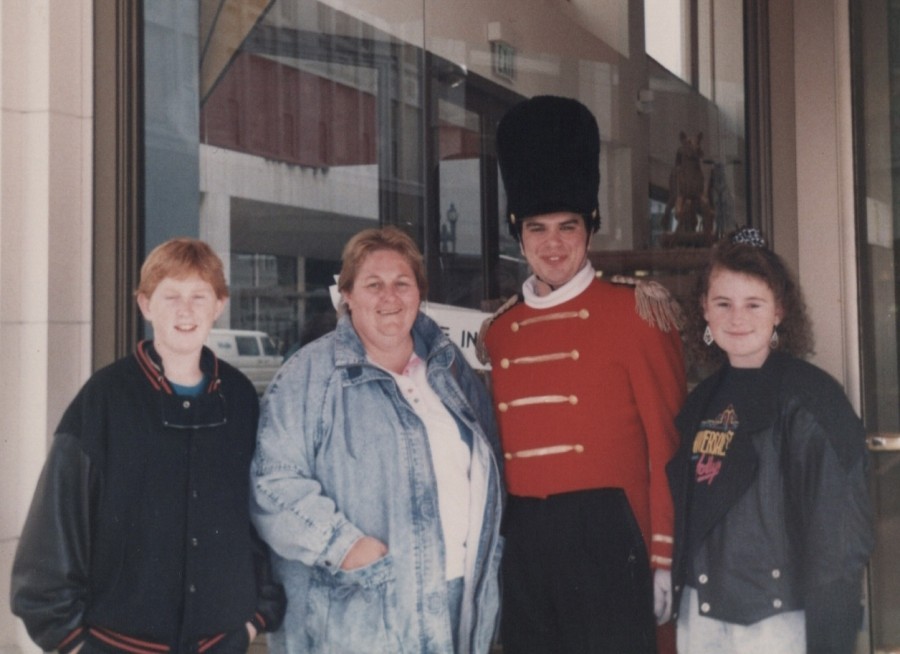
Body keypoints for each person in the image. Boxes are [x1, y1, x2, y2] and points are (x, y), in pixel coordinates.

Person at [479, 95, 686, 653]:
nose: (553, 244)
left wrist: (664, 558)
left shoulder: (638, 315)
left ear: (590, 227)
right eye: (537, 227)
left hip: (611, 545)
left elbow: (669, 448)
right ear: (517, 233)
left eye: (567, 227)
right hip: (526, 549)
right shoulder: (498, 332)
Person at [10, 238, 286, 654]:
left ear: (219, 305)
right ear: (144, 305)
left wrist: (254, 619)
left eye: (199, 296)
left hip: (221, 642)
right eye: (170, 295)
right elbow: (55, 526)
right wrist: (70, 644)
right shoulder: (104, 397)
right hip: (116, 644)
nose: (185, 310)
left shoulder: (240, 396)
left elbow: (261, 509)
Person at [250, 226, 504, 654]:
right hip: (362, 614)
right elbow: (272, 485)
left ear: (419, 294)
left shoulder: (451, 370)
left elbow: (490, 468)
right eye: (373, 284)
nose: (390, 296)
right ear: (347, 295)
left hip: (459, 610)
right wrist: (346, 546)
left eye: (402, 283)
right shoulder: (309, 376)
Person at [666, 227, 874, 653]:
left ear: (779, 310)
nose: (736, 318)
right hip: (698, 618)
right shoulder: (700, 400)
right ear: (704, 309)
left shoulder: (814, 400)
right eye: (723, 303)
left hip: (777, 625)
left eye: (753, 303)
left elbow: (839, 544)